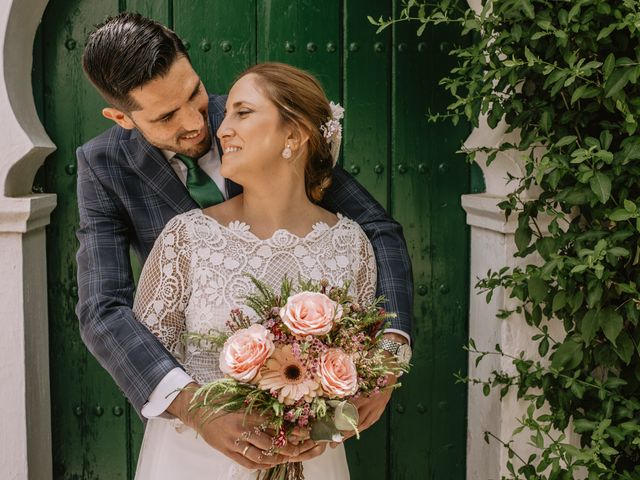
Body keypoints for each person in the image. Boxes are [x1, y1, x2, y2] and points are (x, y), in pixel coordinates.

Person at [76, 12, 413, 474]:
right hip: (198, 437)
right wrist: (196, 407)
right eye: (167, 116)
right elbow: (103, 308)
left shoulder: (260, 118)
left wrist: (388, 354)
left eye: (194, 92)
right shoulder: (104, 166)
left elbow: (376, 229)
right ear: (122, 117)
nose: (200, 122)